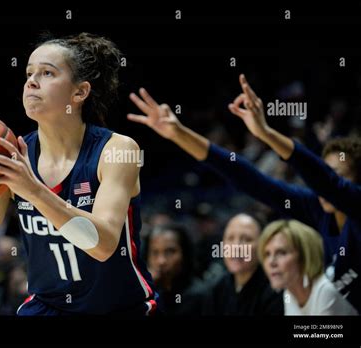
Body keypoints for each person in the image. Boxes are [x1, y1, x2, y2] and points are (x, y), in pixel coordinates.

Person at [0, 33, 158, 316]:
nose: (32, 81)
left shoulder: (116, 150)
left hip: (120, 308)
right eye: (29, 73)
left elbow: (103, 244)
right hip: (47, 307)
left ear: (80, 92)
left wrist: (34, 190)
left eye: (47, 72)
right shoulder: (14, 155)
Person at [127, 76, 361, 313]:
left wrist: (266, 133)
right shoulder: (317, 208)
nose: (323, 187)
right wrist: (179, 134)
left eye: (340, 176)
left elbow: (323, 179)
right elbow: (247, 177)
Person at [259, 219, 357, 315]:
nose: (271, 262)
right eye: (267, 254)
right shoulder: (288, 293)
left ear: (305, 256)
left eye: (281, 253)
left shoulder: (325, 290)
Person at [200, 214, 283, 315]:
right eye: (230, 238)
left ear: (263, 245)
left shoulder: (275, 290)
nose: (236, 246)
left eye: (247, 239)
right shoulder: (217, 288)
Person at [145, 223, 204, 315]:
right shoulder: (145, 292)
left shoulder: (200, 296)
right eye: (155, 253)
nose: (161, 261)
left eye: (169, 252)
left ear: (185, 254)